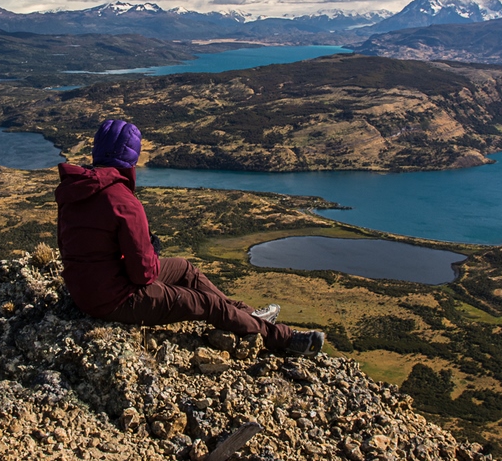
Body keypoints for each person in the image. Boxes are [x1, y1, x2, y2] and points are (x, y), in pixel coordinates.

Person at [55, 118, 325, 356]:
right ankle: (282, 339)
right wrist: (152, 251)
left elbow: (72, 248)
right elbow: (143, 275)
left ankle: (245, 313)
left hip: (85, 291)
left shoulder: (74, 190)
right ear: (131, 158)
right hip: (114, 300)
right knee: (204, 303)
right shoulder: (124, 202)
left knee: (184, 268)